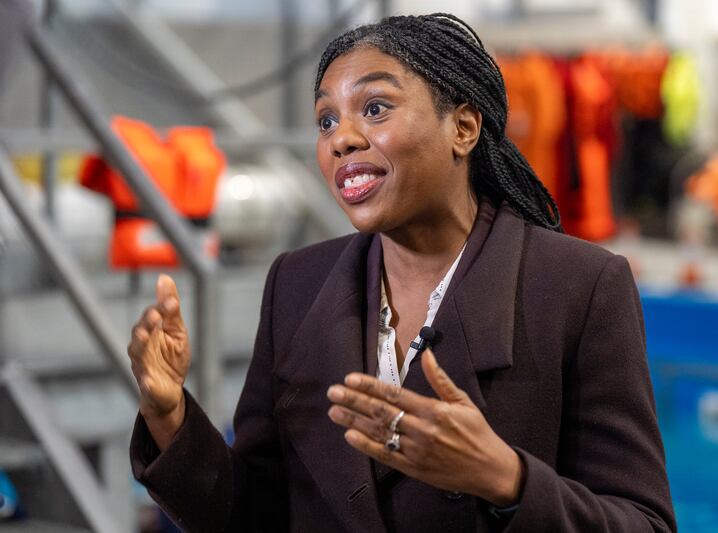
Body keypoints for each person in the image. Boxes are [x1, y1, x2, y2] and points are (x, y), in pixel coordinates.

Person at [129, 13, 675, 533]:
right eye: (326, 119)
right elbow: (256, 514)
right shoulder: (296, 284)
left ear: (463, 128)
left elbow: (643, 522)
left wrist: (507, 480)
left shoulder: (579, 287)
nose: (341, 138)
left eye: (375, 108)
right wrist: (170, 416)